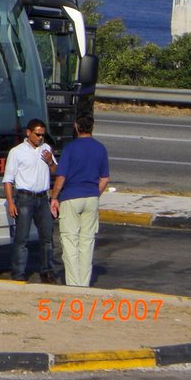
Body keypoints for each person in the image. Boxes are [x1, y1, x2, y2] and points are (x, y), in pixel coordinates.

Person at [50, 113, 110, 287]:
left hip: (71, 197)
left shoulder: (70, 148)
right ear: (92, 127)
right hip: (91, 197)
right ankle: (84, 283)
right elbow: (104, 179)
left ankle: (73, 283)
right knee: (87, 241)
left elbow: (61, 177)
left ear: (76, 127)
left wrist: (54, 197)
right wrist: (94, 194)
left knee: (69, 240)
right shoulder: (100, 148)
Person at [3, 119, 58, 283]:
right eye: (37, 134)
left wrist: (50, 161)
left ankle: (47, 270)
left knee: (47, 237)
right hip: (25, 197)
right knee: (22, 239)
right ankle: (18, 273)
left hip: (43, 197)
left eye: (43, 135)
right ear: (28, 133)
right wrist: (11, 202)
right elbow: (8, 180)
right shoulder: (17, 152)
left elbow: (56, 170)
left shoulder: (46, 149)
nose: (40, 138)